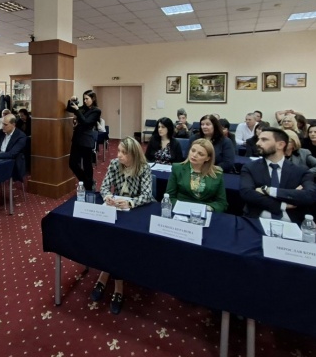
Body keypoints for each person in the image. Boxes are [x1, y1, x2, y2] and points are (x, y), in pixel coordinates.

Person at [90, 137, 153, 315]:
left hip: (136, 212)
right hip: (116, 208)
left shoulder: (144, 168)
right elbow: (104, 187)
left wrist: (130, 203)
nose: (119, 155)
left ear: (134, 154)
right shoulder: (114, 164)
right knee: (108, 237)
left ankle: (114, 284)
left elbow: (147, 195)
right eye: (118, 151)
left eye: (124, 153)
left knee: (118, 241)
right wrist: (107, 197)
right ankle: (107, 275)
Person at [239, 127, 316, 224]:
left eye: (264, 140)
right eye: (259, 139)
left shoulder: (301, 171)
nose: (258, 143)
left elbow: (309, 196)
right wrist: (282, 205)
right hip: (257, 219)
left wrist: (268, 190)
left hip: (291, 221)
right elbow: (247, 193)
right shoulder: (250, 167)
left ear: (280, 145)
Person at [166, 138, 227, 212]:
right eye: (193, 150)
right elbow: (169, 197)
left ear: (208, 158)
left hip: (205, 212)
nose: (194, 155)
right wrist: (186, 207)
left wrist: (208, 208)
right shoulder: (177, 168)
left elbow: (222, 203)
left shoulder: (217, 173)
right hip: (181, 210)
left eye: (200, 154)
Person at [65, 90, 101, 191]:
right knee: (72, 164)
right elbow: (68, 108)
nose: (84, 101)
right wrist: (71, 101)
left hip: (86, 140)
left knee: (87, 165)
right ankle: (88, 182)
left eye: (87, 99)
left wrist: (77, 110)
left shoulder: (96, 111)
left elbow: (86, 122)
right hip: (77, 139)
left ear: (93, 99)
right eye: (84, 99)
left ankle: (88, 186)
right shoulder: (82, 108)